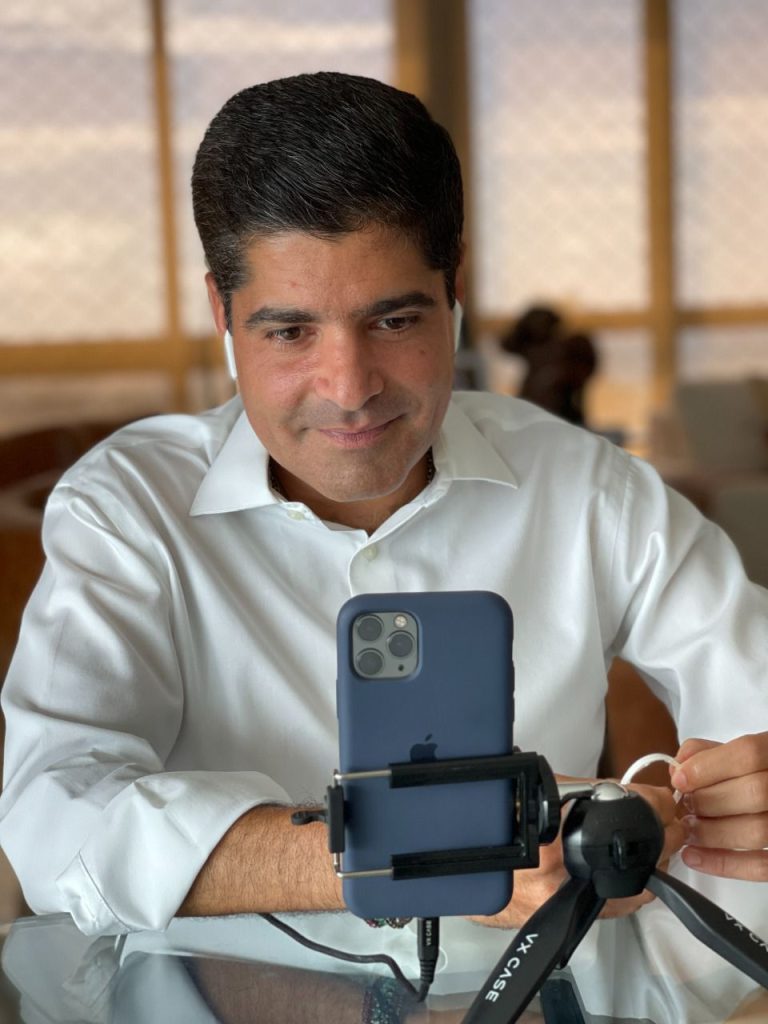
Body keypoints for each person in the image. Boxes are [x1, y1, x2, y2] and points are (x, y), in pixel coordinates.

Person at [0, 73, 766, 942]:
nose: (349, 388)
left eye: (394, 321)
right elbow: (53, 815)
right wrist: (405, 855)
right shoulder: (128, 508)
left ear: (454, 289)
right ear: (222, 310)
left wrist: (743, 788)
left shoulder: (590, 488)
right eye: (290, 331)